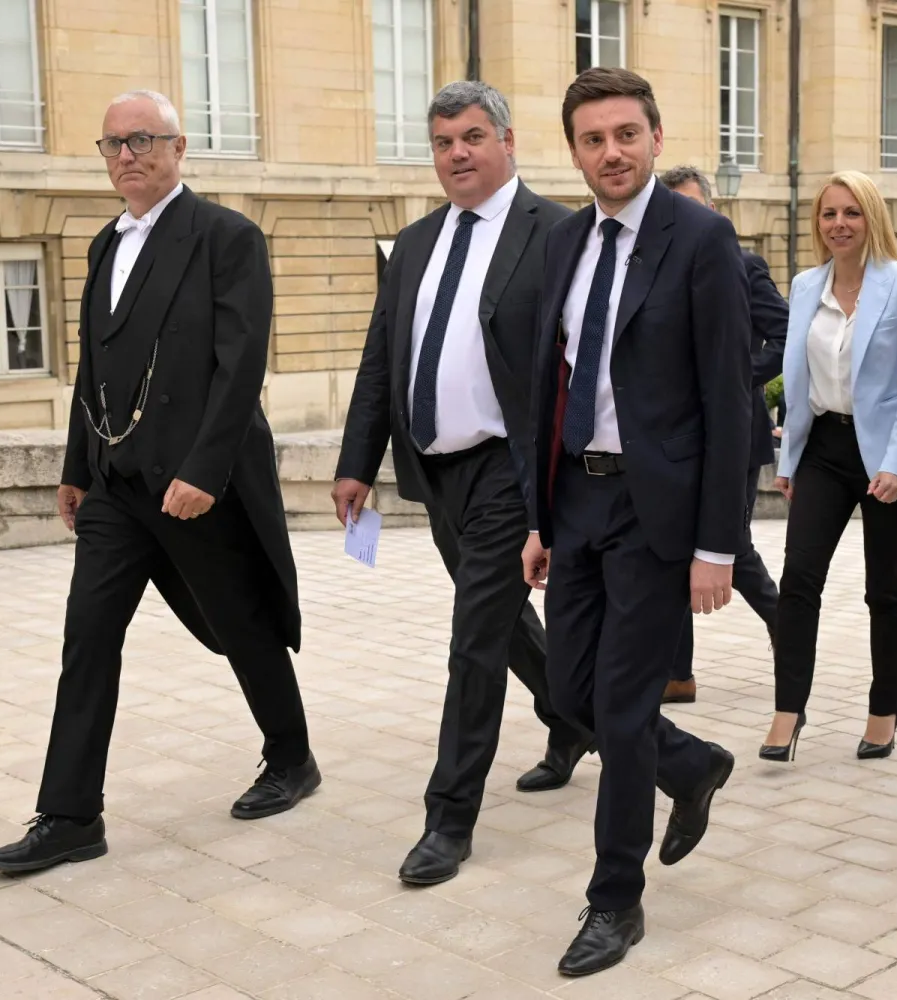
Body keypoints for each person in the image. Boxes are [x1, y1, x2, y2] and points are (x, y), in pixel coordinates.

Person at [0, 90, 318, 873]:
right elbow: (91, 367)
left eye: (140, 140)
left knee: (240, 624)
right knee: (87, 636)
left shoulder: (226, 237)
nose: (125, 155)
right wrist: (75, 469)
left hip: (194, 482)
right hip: (115, 486)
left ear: (178, 147)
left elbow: (241, 367)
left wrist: (206, 469)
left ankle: (292, 757)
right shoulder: (103, 244)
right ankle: (69, 816)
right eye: (111, 145)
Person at [333, 82, 591, 887]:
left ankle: (448, 819)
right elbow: (383, 360)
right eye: (444, 142)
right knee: (505, 619)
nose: (458, 154)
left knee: (472, 642)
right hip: (436, 472)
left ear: (508, 141)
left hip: (514, 470)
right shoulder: (411, 244)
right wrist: (354, 461)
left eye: (473, 137)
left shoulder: (557, 232)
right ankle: (575, 721)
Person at [522, 67, 750, 978]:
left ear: (654, 137)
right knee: (567, 696)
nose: (610, 152)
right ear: (574, 149)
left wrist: (717, 544)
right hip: (577, 501)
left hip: (659, 515)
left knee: (619, 710)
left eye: (625, 134)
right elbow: (546, 388)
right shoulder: (566, 241)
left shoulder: (701, 239)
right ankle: (688, 767)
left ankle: (615, 900)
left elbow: (728, 403)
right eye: (591, 138)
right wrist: (541, 516)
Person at [763, 171, 897, 763]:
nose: (839, 224)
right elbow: (799, 381)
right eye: (829, 214)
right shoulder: (807, 285)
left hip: (890, 455)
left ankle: (883, 710)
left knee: (884, 591)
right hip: (823, 452)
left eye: (852, 213)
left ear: (873, 218)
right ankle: (789, 710)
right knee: (798, 582)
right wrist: (788, 459)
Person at [657, 165, 785, 706]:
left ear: (711, 210)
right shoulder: (657, 270)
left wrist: (734, 378)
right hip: (674, 439)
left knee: (734, 547)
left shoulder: (743, 264)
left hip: (732, 434)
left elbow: (785, 334)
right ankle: (677, 674)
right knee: (671, 552)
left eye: (692, 206)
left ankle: (791, 634)